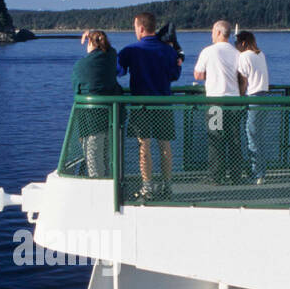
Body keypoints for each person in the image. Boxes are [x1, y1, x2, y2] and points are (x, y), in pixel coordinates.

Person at [118, 11, 183, 200]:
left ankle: (147, 186)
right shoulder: (168, 51)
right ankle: (167, 185)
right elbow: (175, 75)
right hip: (163, 104)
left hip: (141, 106)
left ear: (140, 28)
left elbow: (117, 70)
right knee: (165, 146)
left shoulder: (131, 50)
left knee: (143, 147)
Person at [194, 20, 245, 183]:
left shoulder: (208, 52)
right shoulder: (237, 53)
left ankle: (216, 176)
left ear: (218, 33)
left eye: (212, 32)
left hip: (215, 100)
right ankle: (236, 175)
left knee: (215, 138)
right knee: (234, 139)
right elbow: (242, 76)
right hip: (234, 100)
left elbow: (198, 75)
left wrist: (212, 75)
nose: (211, 35)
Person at [71, 30, 123, 177]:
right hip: (113, 118)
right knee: (108, 157)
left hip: (91, 121)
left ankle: (99, 190)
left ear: (89, 43)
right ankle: (110, 186)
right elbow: (109, 48)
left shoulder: (80, 66)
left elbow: (77, 90)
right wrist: (93, 35)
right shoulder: (111, 57)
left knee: (93, 159)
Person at [236, 30, 270, 183]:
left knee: (252, 136)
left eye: (237, 43)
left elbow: (243, 81)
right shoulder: (260, 54)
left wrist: (240, 96)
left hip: (253, 97)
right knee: (260, 136)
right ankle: (261, 170)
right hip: (265, 97)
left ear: (243, 43)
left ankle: (257, 173)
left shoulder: (244, 56)